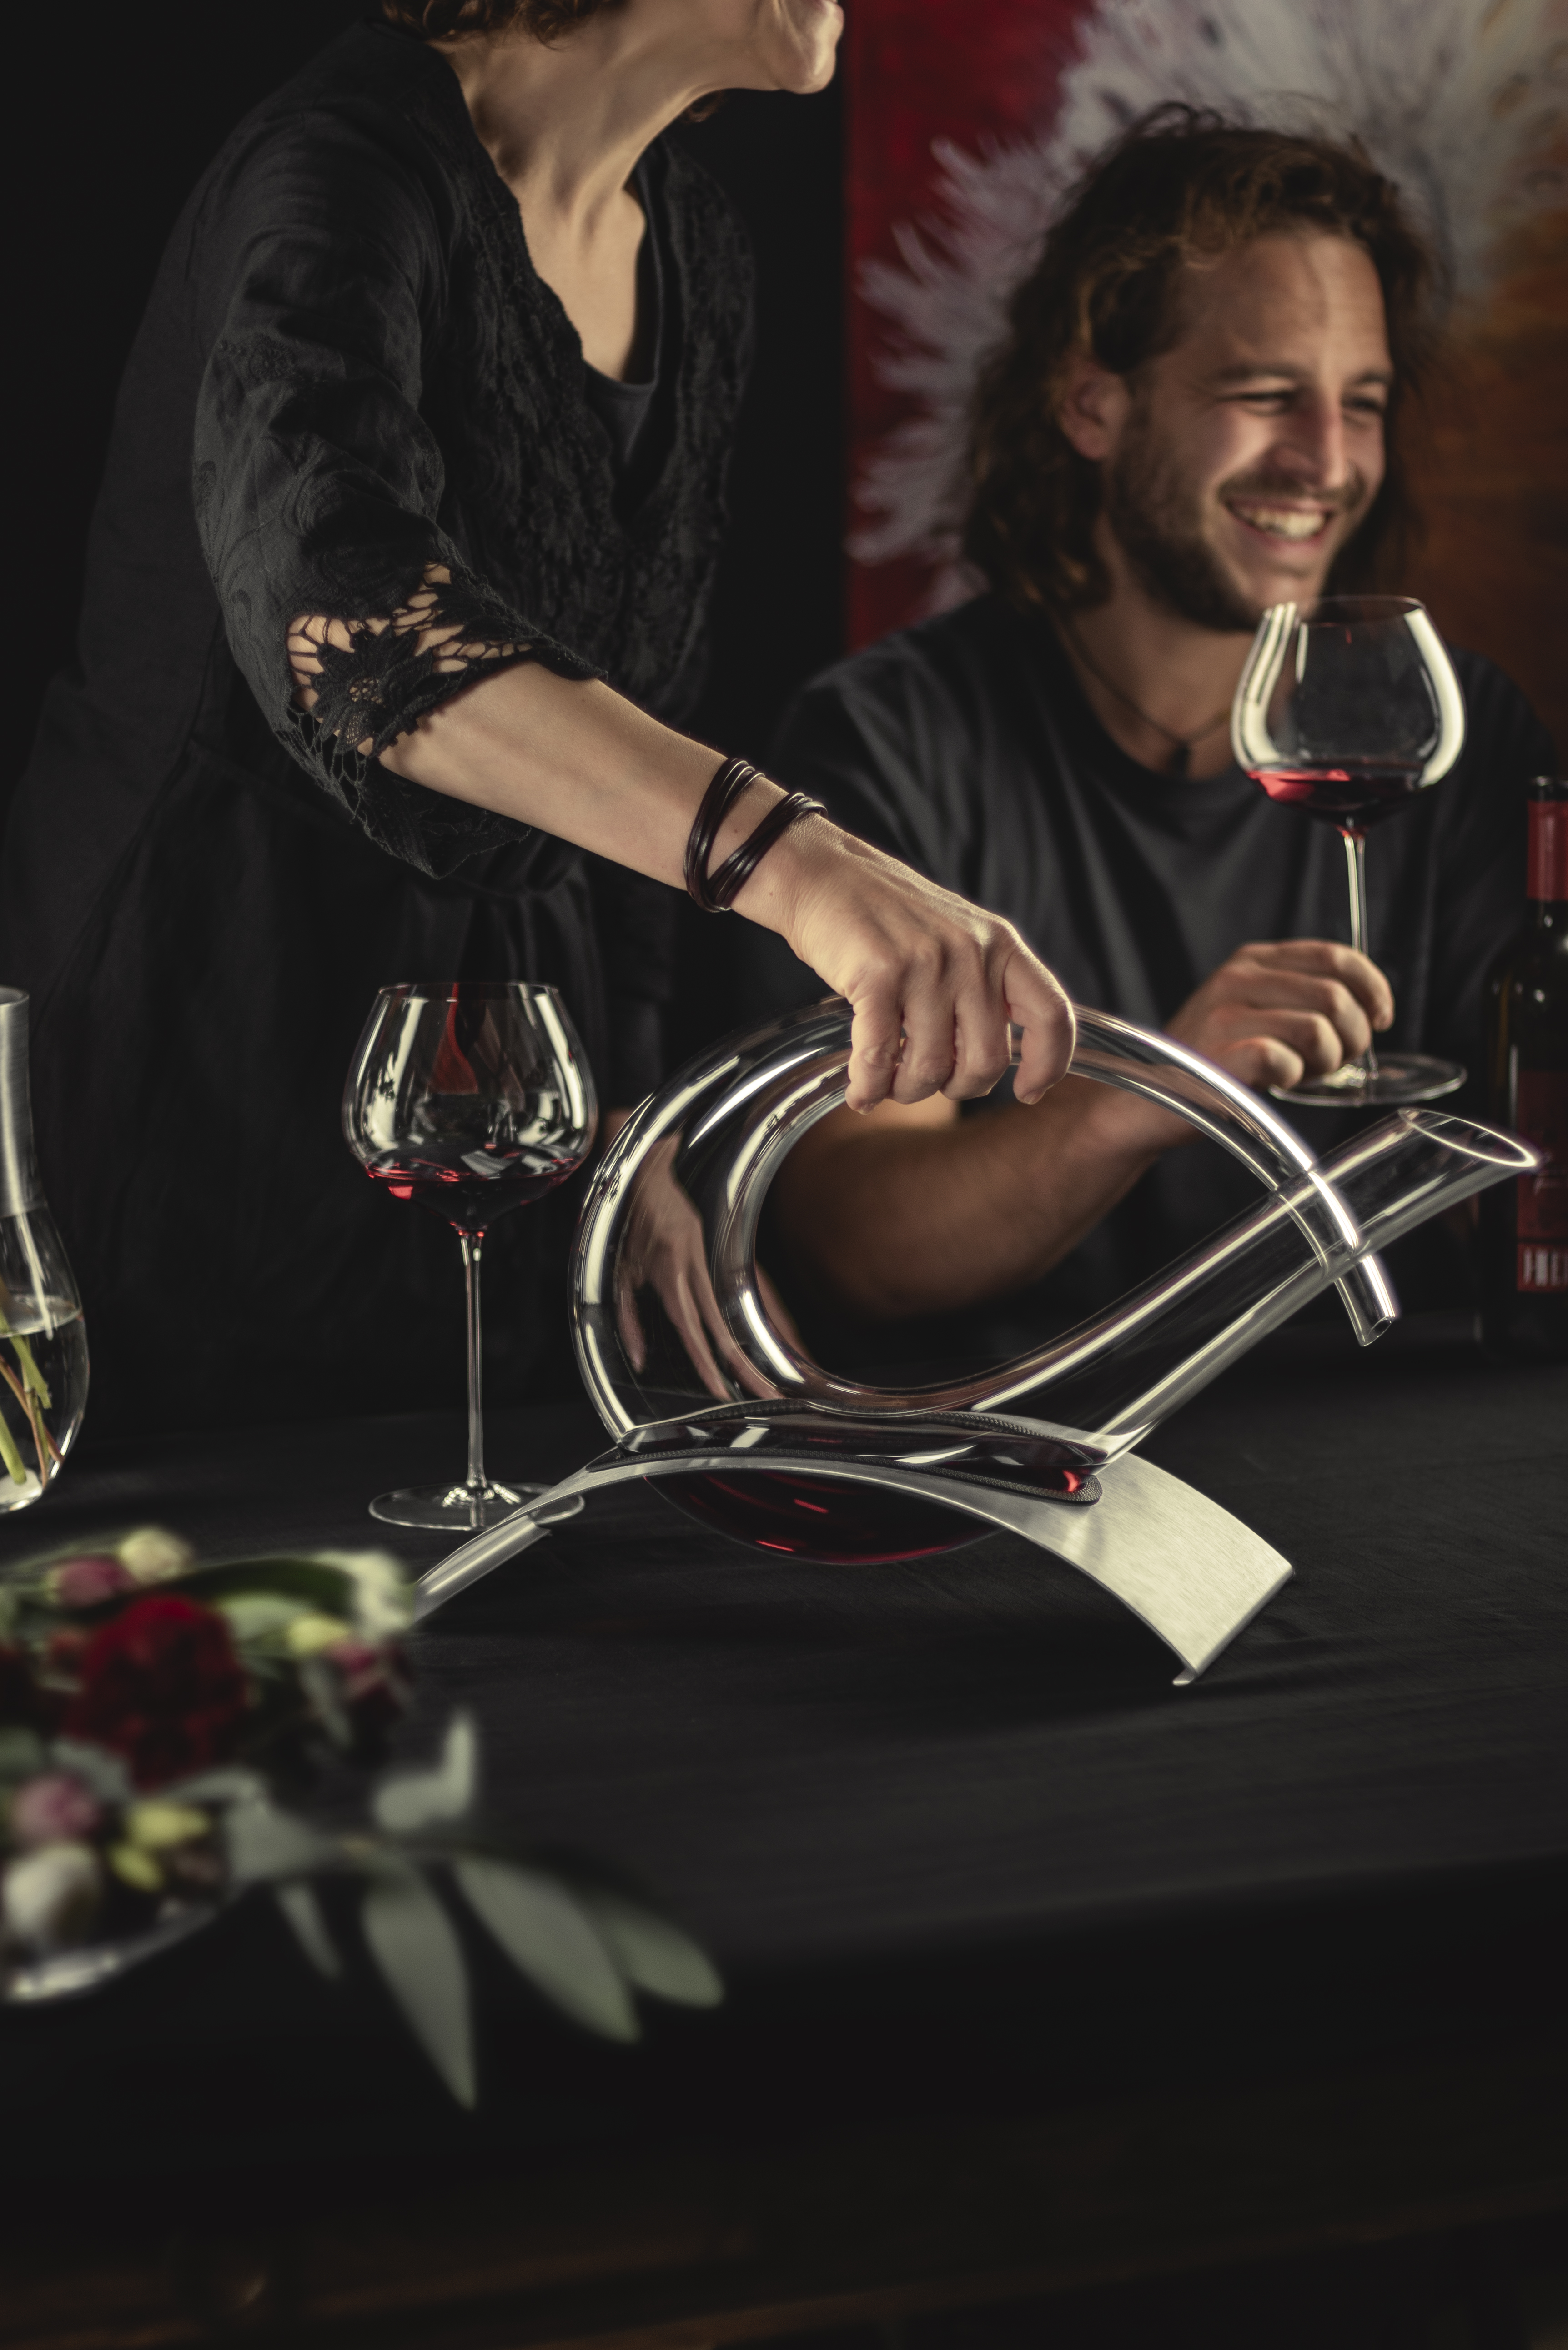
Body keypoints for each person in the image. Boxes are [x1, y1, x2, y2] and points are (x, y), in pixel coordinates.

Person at [1, 0, 1072, 1434]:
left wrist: (629, 1117)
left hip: (498, 1082)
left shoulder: (693, 240)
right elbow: (351, 619)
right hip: (191, 1051)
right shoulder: (339, 174)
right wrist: (800, 864)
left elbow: (645, 712)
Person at [738, 108, 1556, 1360]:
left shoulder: (1464, 736)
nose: (1328, 461)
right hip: (1025, 1468)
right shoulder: (884, 746)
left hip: (1397, 1457)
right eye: (1267, 394)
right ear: (1093, 408)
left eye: (1365, 403)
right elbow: (853, 1249)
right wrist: (1162, 1088)